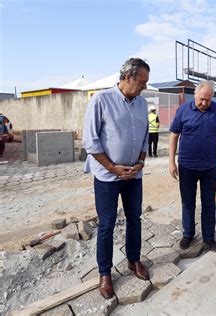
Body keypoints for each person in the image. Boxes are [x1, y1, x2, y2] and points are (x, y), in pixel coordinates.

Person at [83, 57, 151, 299]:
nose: (144, 86)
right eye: (142, 82)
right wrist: (112, 167)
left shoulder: (142, 104)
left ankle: (133, 260)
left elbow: (144, 138)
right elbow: (90, 141)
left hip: (134, 174)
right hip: (107, 177)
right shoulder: (101, 100)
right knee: (107, 225)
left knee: (135, 219)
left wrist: (141, 162)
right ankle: (104, 273)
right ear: (128, 77)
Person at [169, 80, 216, 253]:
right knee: (188, 202)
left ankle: (208, 238)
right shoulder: (183, 111)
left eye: (208, 100)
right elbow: (173, 136)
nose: (204, 103)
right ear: (195, 94)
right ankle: (188, 234)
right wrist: (171, 162)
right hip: (187, 166)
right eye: (202, 99)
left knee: (209, 203)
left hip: (209, 166)